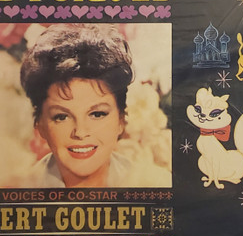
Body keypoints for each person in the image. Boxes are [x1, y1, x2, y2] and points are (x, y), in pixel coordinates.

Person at [20, 23, 170, 188]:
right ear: (40, 124)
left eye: (97, 114)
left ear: (121, 120)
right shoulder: (19, 190)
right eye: (62, 117)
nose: (80, 132)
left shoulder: (156, 185)